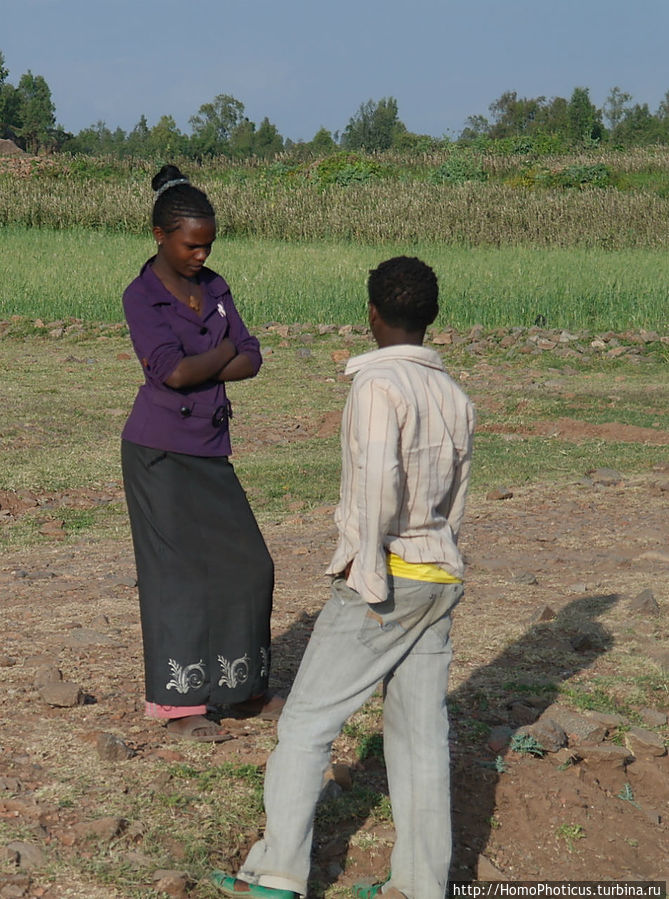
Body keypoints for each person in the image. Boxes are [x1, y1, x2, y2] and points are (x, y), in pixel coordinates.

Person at [212, 256, 476, 898]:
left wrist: (366, 572)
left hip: (385, 577)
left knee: (306, 723)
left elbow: (374, 492)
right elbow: (458, 499)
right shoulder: (454, 396)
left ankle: (278, 874)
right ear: (431, 318)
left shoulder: (376, 388)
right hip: (439, 576)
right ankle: (420, 884)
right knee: (420, 739)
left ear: (372, 313)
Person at [121, 164, 282, 743]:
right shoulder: (141, 296)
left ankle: (242, 689)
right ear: (160, 236)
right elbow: (173, 373)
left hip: (209, 448)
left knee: (249, 563)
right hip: (158, 454)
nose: (201, 254)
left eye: (208, 244)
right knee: (177, 576)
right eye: (192, 244)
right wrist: (222, 351)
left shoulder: (214, 287)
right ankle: (180, 704)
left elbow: (254, 355)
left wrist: (210, 360)